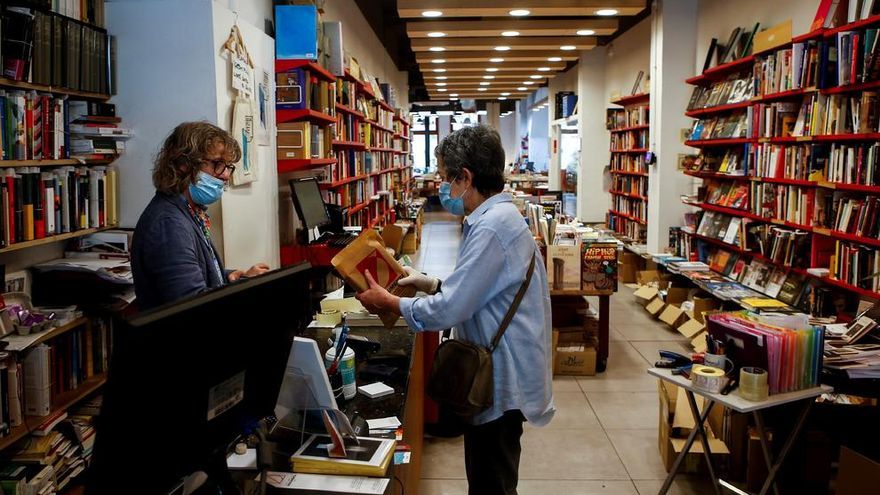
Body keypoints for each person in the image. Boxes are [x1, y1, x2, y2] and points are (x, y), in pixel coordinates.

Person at [357, 125, 555, 495]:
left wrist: (392, 304)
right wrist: (427, 282)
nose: (441, 187)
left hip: (499, 379)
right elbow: (479, 290)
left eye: (446, 178)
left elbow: (450, 310)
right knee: (490, 476)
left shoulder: (492, 228)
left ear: (466, 177)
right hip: (500, 370)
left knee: (491, 482)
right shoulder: (497, 219)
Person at [131, 121, 269, 311]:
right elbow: (193, 306)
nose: (226, 175)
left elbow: (195, 279)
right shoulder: (169, 224)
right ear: (184, 164)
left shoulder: (189, 211)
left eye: (228, 166)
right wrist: (242, 289)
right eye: (218, 164)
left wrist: (229, 277)